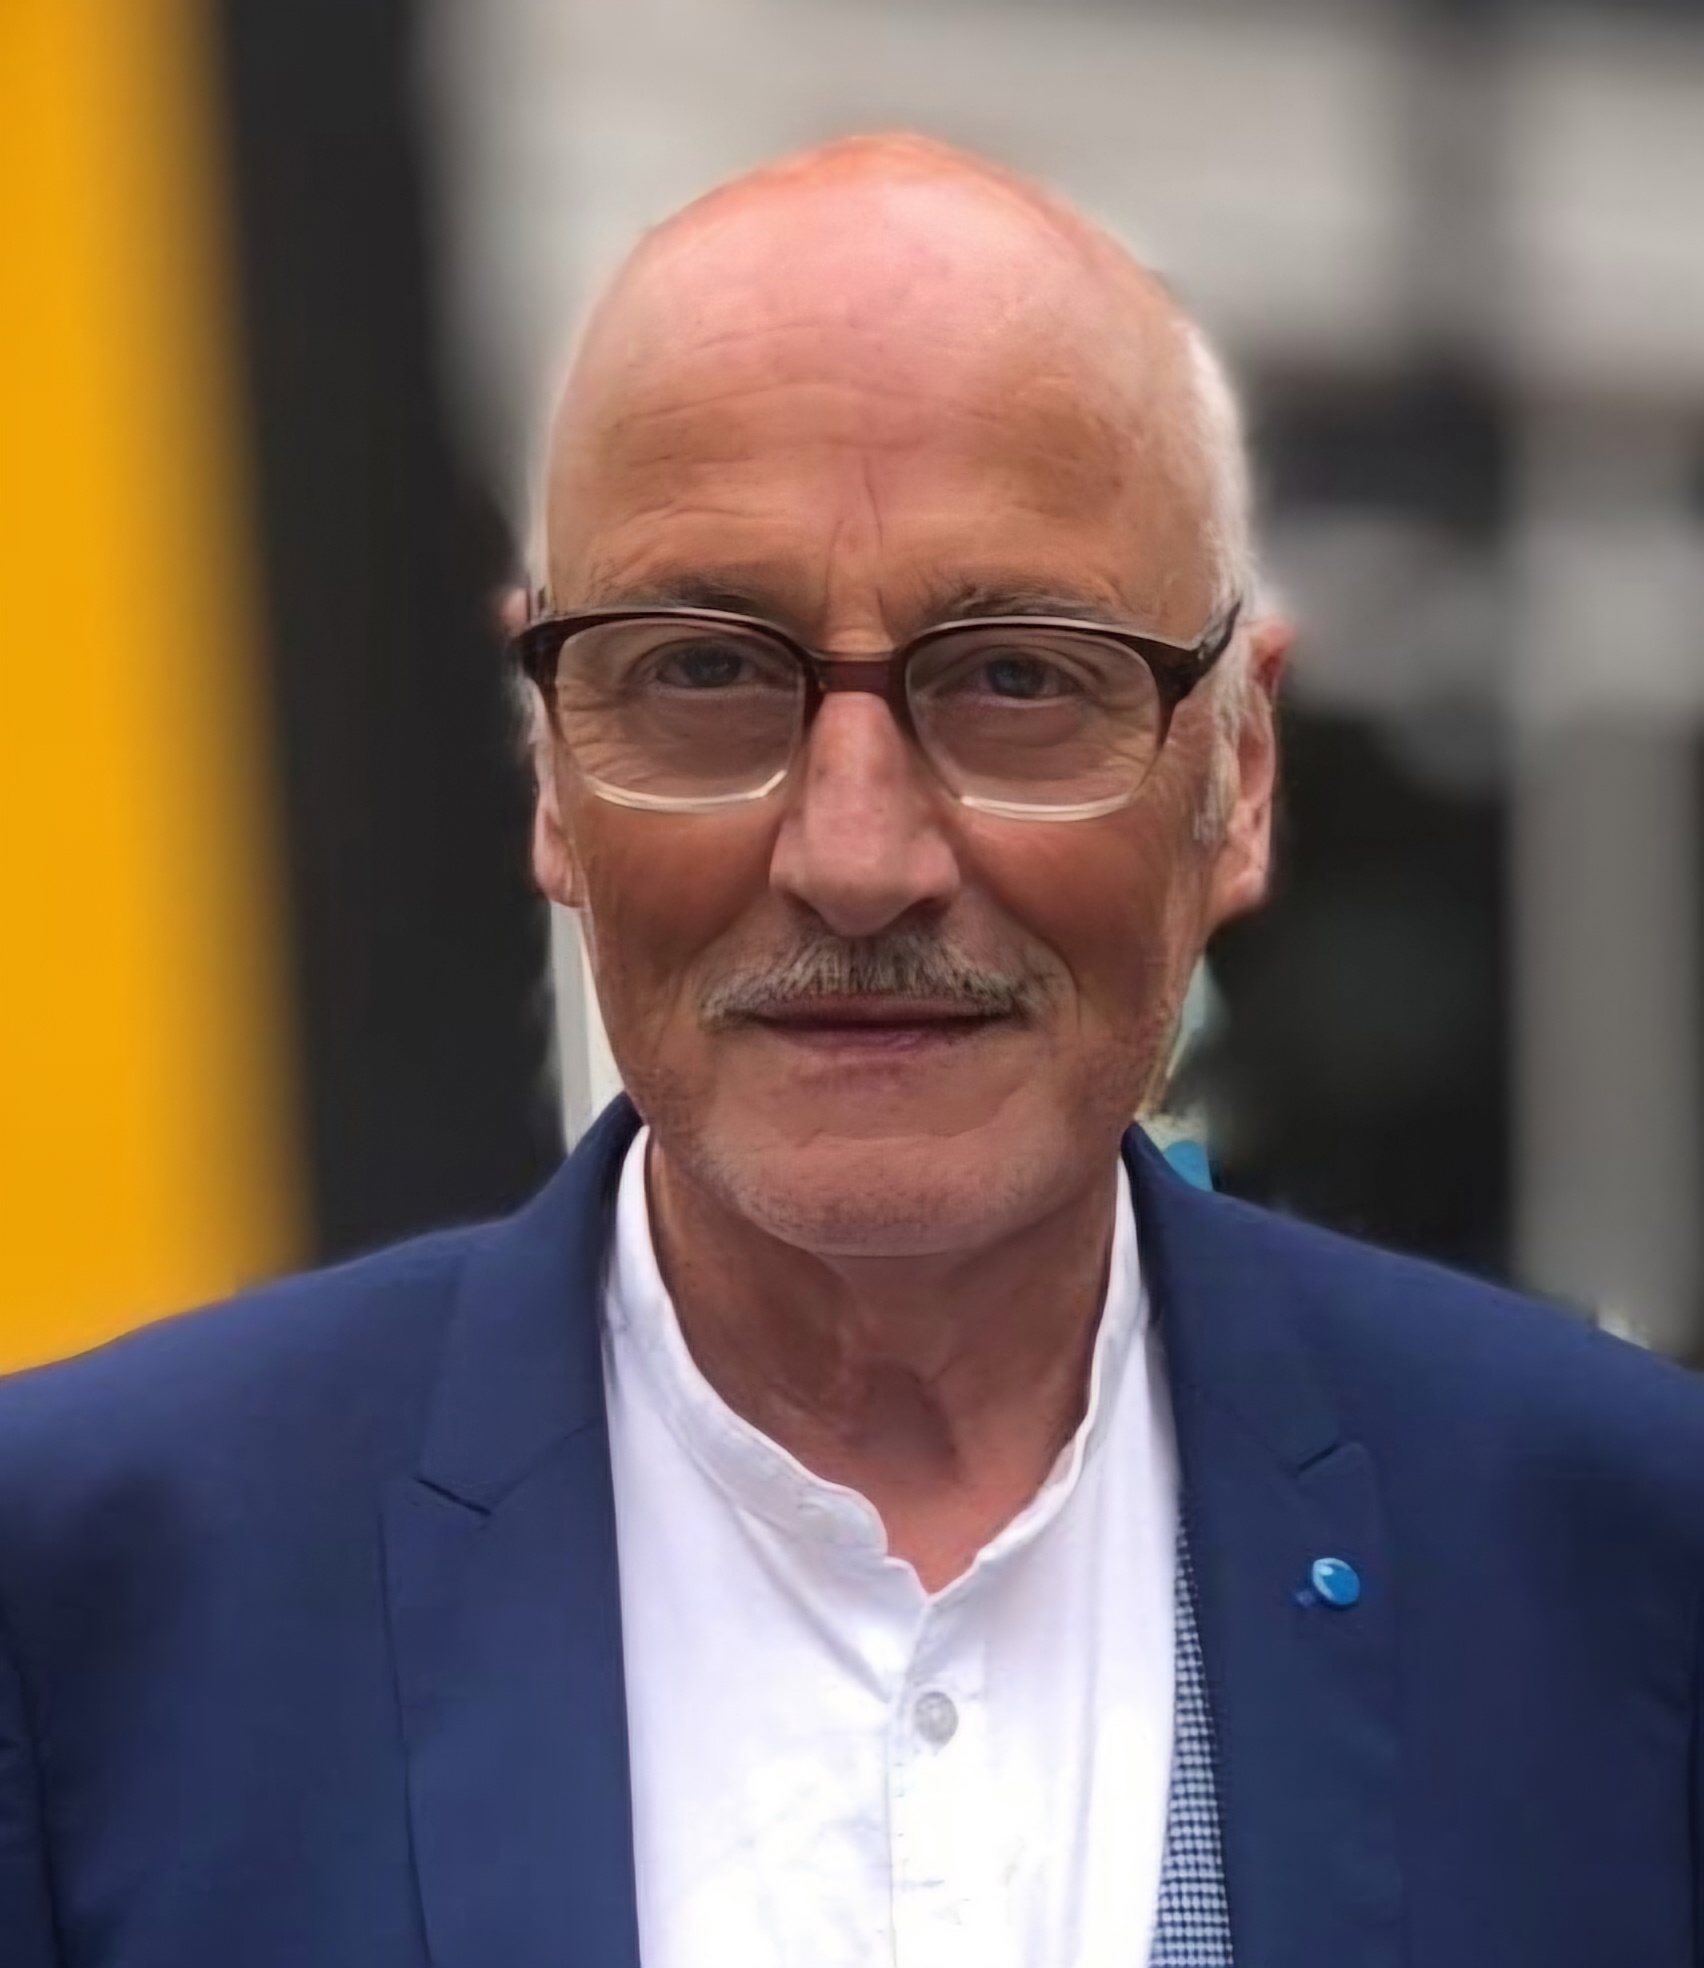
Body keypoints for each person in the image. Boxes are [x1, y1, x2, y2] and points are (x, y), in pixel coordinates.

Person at [3, 135, 1703, 1968]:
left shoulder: (1626, 1572)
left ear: (1241, 774)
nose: (857, 856)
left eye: (1019, 675)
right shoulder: (88, 1605)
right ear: (554, 770)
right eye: (707, 671)